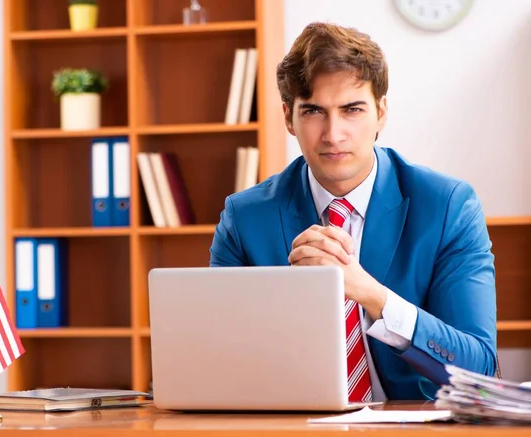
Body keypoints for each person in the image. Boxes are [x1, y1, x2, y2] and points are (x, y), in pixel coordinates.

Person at [209, 22, 497, 401]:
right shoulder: (245, 218)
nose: (333, 133)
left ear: (380, 113)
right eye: (313, 111)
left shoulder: (448, 206)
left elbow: (479, 370)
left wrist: (372, 295)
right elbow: (216, 361)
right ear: (287, 118)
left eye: (352, 109)